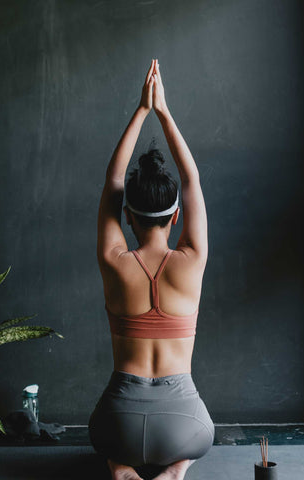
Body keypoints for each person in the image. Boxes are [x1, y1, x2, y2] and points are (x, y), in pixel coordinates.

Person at [89, 59, 214, 480]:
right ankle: (176, 470)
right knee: (203, 434)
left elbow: (113, 179)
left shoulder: (114, 261)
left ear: (128, 216)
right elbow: (191, 180)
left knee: (101, 434)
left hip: (117, 425)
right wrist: (163, 110)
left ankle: (120, 465)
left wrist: (141, 110)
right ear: (175, 217)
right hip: (184, 427)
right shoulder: (192, 259)